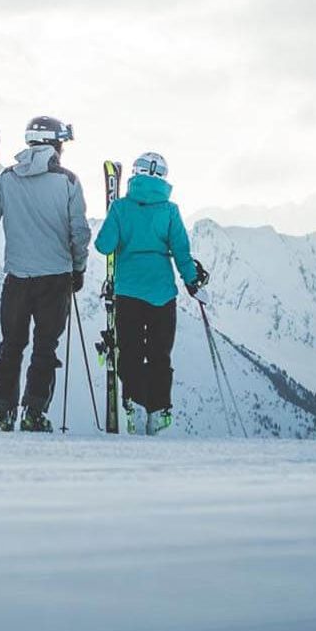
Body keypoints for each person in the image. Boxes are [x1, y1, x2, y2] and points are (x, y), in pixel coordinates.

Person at [0, 116, 91, 432]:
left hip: (18, 278)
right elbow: (79, 232)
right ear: (54, 144)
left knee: (11, 344)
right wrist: (78, 268)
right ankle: (34, 412)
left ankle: (4, 409)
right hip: (56, 278)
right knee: (45, 348)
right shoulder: (69, 182)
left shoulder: (7, 180)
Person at [93, 151, 205, 435]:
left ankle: (134, 403)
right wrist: (192, 281)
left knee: (129, 352)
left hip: (128, 291)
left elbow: (103, 246)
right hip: (162, 293)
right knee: (159, 354)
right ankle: (158, 410)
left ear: (135, 174)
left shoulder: (120, 208)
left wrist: (117, 225)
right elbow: (181, 250)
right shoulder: (170, 211)